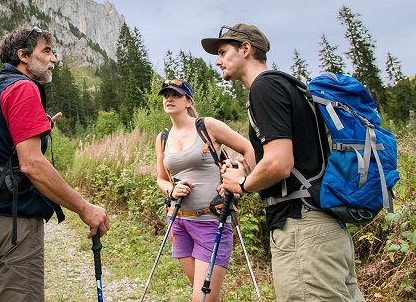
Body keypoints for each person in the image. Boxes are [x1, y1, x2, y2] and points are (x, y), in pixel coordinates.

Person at [201, 23, 364, 302]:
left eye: (224, 52)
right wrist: (249, 169)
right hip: (326, 229)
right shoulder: (290, 86)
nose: (218, 60)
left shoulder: (263, 88)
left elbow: (279, 164)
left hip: (302, 230)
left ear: (246, 49)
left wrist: (242, 183)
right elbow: (292, 159)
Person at [0, 25, 110, 302]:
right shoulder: (23, 88)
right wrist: (84, 208)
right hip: (15, 224)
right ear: (23, 56)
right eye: (46, 51)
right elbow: (32, 164)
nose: (54, 59)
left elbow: (2, 148)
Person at [155, 78, 255, 302]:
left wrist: (240, 177)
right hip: (178, 222)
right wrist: (172, 189)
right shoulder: (162, 138)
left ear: (188, 100)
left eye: (176, 94)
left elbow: (248, 149)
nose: (169, 98)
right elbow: (161, 179)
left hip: (211, 222)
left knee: (201, 298)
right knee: (204, 294)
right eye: (165, 95)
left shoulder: (207, 126)